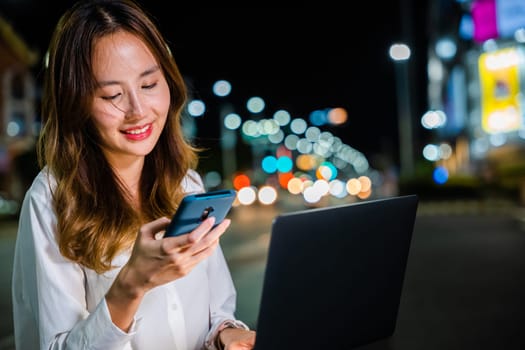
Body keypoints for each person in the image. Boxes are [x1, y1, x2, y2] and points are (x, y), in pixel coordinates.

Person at [11, 0, 256, 349]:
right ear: (75, 102)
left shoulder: (186, 183)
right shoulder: (51, 200)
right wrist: (132, 283)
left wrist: (227, 334)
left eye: (149, 84)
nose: (138, 111)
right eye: (112, 95)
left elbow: (217, 310)